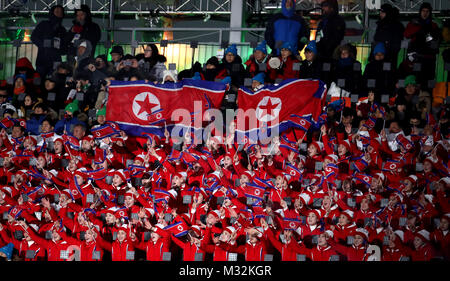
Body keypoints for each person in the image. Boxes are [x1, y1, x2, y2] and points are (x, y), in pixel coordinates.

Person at [404, 2, 441, 90]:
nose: (425, 13)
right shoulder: (414, 23)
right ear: (420, 12)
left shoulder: (433, 25)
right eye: (423, 11)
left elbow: (436, 41)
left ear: (430, 13)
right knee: (416, 80)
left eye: (427, 11)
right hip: (417, 58)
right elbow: (406, 34)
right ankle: (415, 101)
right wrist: (419, 27)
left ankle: (427, 100)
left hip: (429, 58)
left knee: (429, 82)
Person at [31, 5, 67, 79]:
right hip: (42, 61)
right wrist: (46, 44)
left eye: (60, 12)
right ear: (52, 12)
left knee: (54, 82)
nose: (58, 14)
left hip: (55, 62)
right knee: (39, 84)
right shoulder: (44, 24)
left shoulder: (62, 30)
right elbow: (33, 37)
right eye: (57, 12)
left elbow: (64, 47)